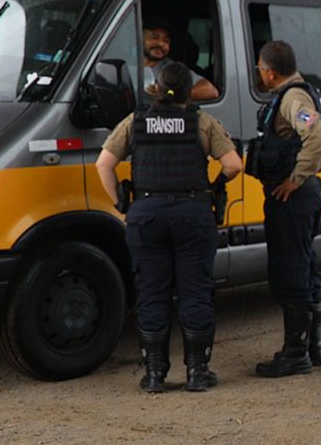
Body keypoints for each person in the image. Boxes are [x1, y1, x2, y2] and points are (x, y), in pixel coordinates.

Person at [95, 62, 242, 393]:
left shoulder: (135, 122)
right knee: (195, 291)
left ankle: (154, 375)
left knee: (151, 292)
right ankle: (197, 373)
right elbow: (233, 165)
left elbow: (104, 164)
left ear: (155, 90)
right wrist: (214, 186)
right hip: (192, 213)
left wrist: (121, 206)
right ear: (189, 92)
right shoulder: (201, 122)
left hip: (146, 215)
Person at [248, 40, 321, 377]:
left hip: (293, 197)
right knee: (304, 265)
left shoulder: (293, 98)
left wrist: (294, 179)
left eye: (259, 67)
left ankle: (296, 353)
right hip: (299, 196)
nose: (259, 73)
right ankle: (311, 347)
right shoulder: (290, 95)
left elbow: (318, 138)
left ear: (270, 71)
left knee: (291, 267)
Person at [140, 16, 219, 102]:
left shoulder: (172, 69)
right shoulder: (127, 64)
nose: (161, 44)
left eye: (166, 40)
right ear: (140, 38)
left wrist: (169, 95)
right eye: (154, 37)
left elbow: (210, 91)